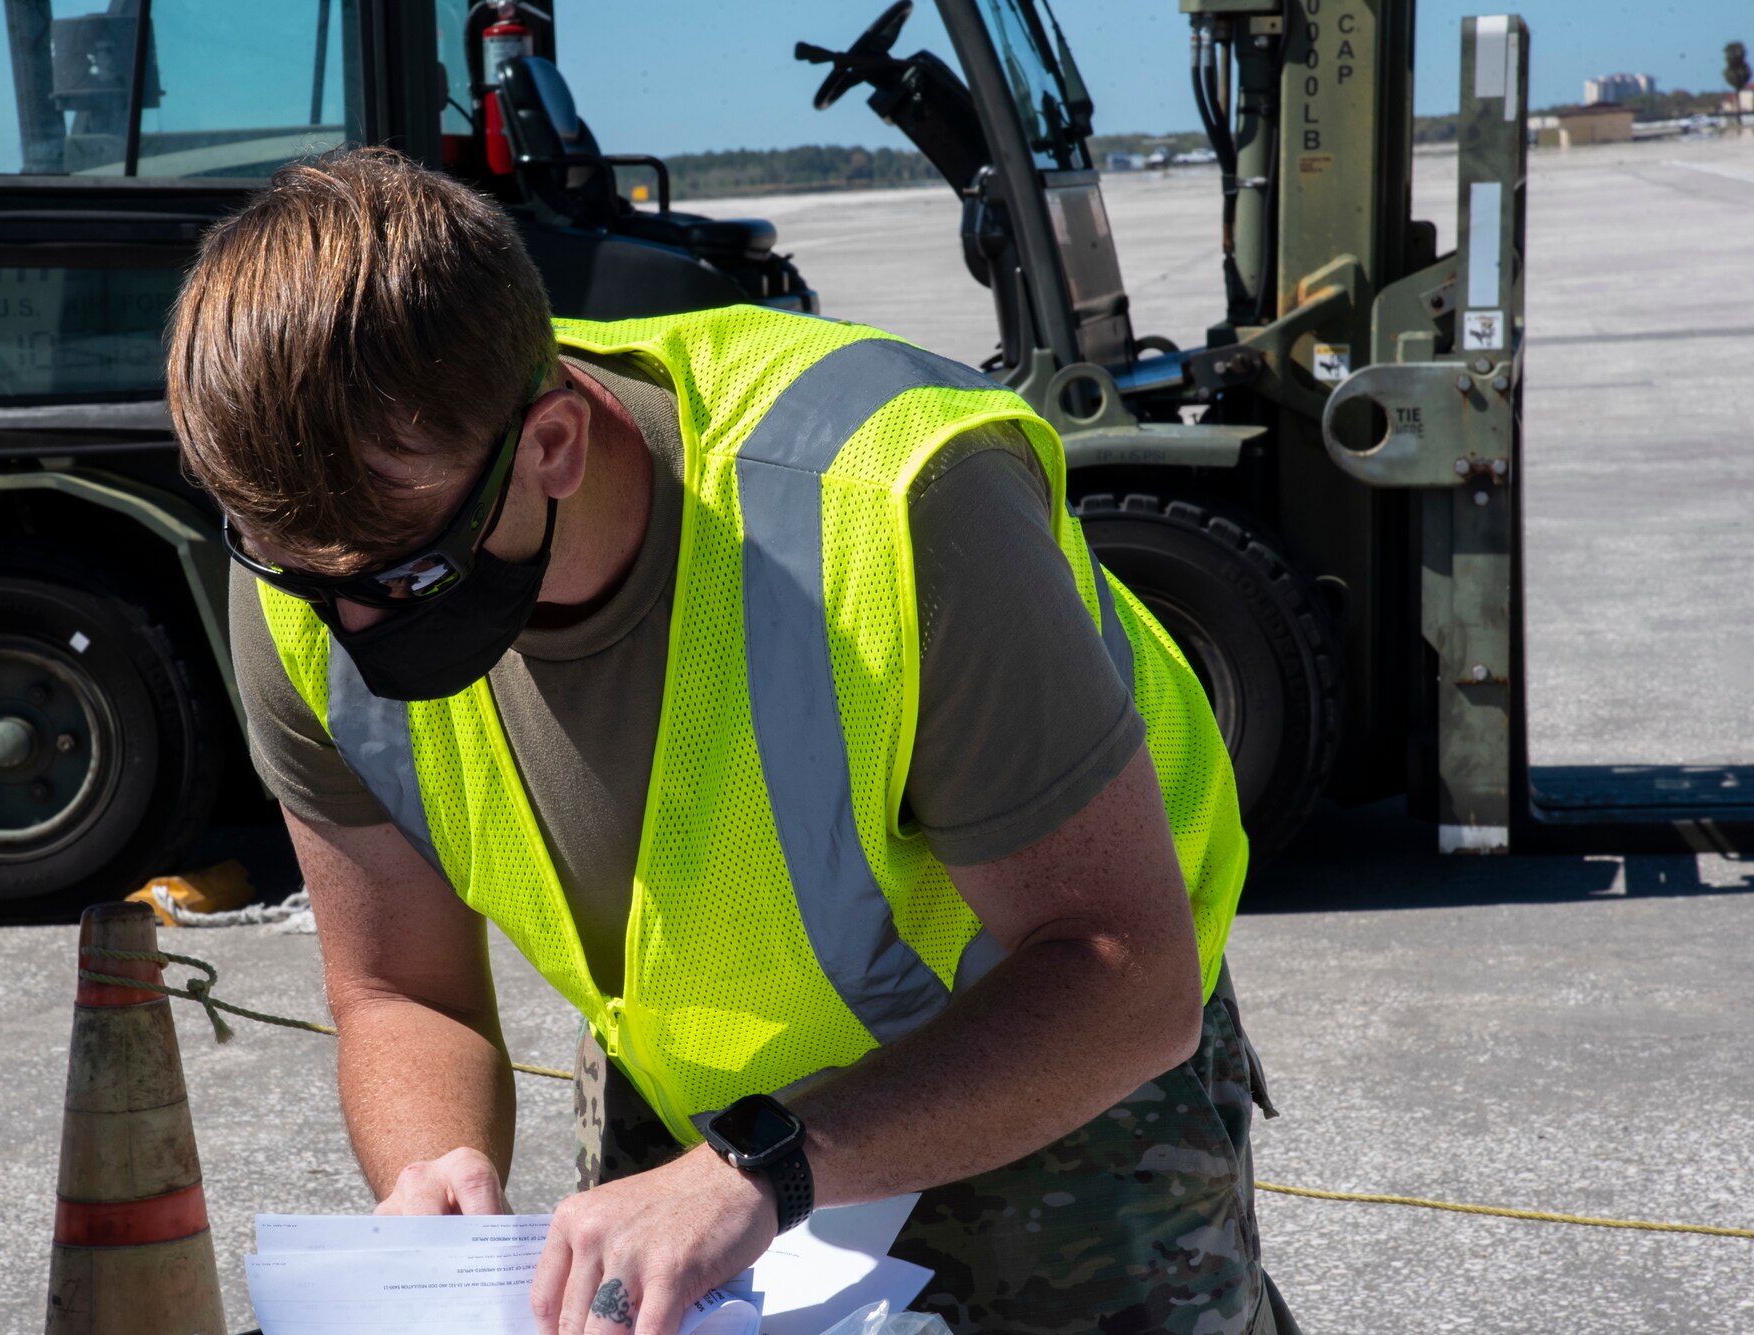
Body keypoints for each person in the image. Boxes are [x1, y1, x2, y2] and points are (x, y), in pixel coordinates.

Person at [167, 147, 1288, 1335]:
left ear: (551, 443)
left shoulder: (896, 503)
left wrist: (765, 1168)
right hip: (701, 1120)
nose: (342, 621)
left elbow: (1126, 976)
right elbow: (399, 987)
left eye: (407, 574)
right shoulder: (320, 548)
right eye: (293, 574)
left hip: (1040, 1072)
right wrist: (430, 1170)